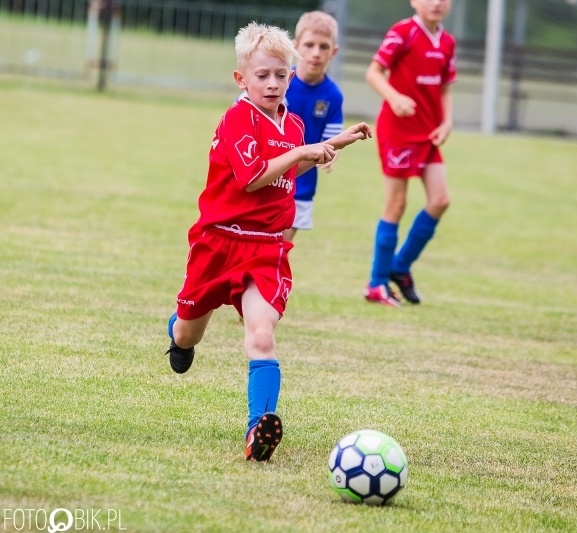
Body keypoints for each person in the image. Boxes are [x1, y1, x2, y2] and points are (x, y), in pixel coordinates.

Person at [164, 22, 371, 463]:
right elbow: (255, 177)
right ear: (242, 78)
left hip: (265, 248)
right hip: (218, 243)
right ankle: (178, 335)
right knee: (188, 332)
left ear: (290, 76)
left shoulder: (294, 124)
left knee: (261, 336)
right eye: (262, 75)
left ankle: (258, 428)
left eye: (281, 74)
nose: (273, 83)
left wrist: (335, 143)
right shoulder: (237, 117)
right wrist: (303, 152)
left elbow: (287, 172)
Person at [363, 0, 457, 307]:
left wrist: (446, 122)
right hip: (398, 132)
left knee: (441, 200)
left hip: (427, 134)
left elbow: (444, 88)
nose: (437, 2)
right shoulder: (403, 32)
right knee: (397, 203)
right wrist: (394, 97)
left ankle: (400, 267)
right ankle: (376, 284)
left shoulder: (446, 42)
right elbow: (374, 73)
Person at [283, 10, 344, 242]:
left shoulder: (333, 96)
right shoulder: (277, 82)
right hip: (267, 178)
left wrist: (332, 152)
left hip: (301, 187)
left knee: (278, 252)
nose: (316, 53)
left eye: (324, 47)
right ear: (296, 46)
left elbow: (332, 141)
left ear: (334, 52)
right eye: (309, 45)